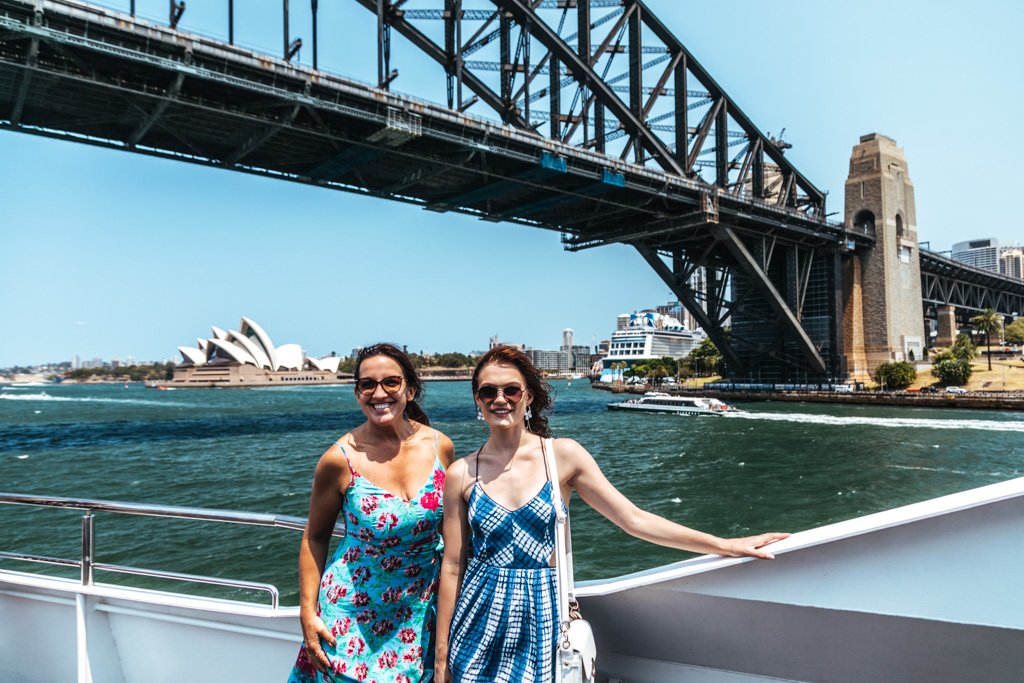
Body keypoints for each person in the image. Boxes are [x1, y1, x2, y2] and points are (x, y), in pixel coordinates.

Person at [434, 346, 789, 683]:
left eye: (511, 390)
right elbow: (452, 565)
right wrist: (440, 657)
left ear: (527, 396)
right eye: (488, 391)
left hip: (540, 614)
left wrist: (725, 545)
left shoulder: (563, 456)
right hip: (477, 616)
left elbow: (632, 519)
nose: (500, 399)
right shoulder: (462, 473)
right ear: (477, 400)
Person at [287, 343, 455, 683]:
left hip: (421, 610)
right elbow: (315, 537)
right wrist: (307, 613)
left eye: (391, 382)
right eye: (368, 384)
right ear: (357, 393)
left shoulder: (441, 446)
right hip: (352, 611)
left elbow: (452, 536)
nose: (380, 393)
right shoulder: (339, 458)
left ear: (410, 388)